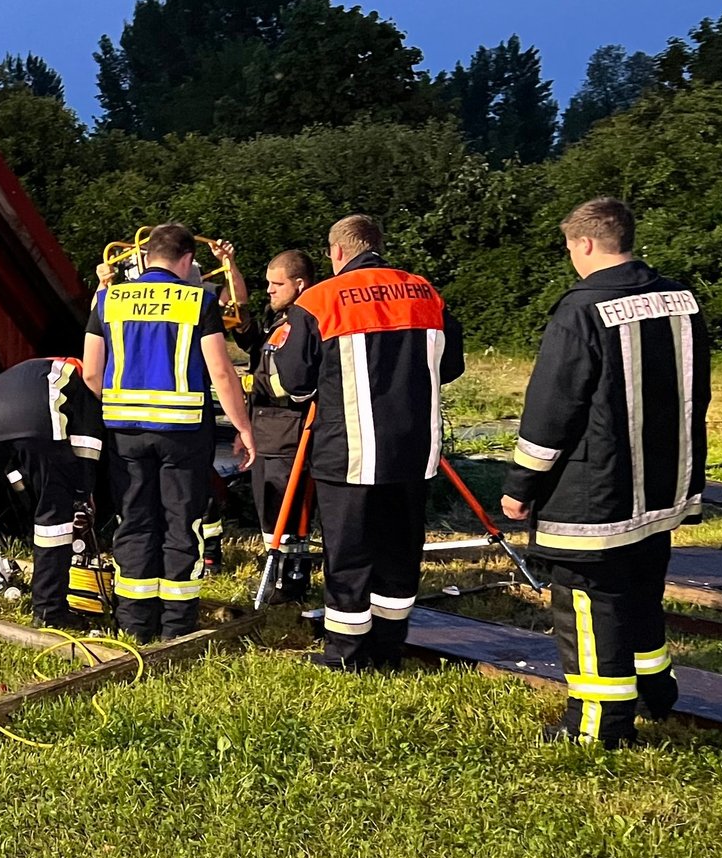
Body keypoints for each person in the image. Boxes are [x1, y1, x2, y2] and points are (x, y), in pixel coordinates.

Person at [500, 198, 709, 747]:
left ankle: (598, 725)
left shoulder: (581, 310)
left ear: (586, 244)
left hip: (596, 496)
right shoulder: (681, 300)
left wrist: (520, 486)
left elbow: (551, 410)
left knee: (589, 605)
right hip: (661, 489)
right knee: (642, 591)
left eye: (570, 246)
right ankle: (655, 691)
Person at [274, 214, 463, 670]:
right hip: (416, 450)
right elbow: (450, 365)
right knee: (400, 551)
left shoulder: (319, 301)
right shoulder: (425, 293)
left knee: (349, 554)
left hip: (349, 451)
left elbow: (296, 383)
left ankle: (345, 652)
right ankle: (389, 646)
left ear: (337, 252)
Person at [84, 224, 254, 643]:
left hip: (124, 432)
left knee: (134, 521)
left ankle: (134, 623)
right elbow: (220, 370)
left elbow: (90, 371)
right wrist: (244, 428)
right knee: (182, 523)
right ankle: (177, 626)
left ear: (144, 257)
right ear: (186, 261)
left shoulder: (108, 299)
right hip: (182, 433)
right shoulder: (198, 299)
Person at [0, 356, 104, 627]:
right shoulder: (81, 380)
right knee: (54, 518)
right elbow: (86, 445)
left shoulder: (26, 371)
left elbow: (14, 459)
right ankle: (49, 612)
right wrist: (82, 495)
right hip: (38, 417)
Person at [232, 248, 318, 601]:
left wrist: (248, 386)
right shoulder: (276, 319)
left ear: (299, 284)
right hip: (265, 426)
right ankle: (279, 577)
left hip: (287, 430)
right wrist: (231, 266)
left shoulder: (304, 322)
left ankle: (290, 580)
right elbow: (242, 320)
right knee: (268, 508)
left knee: (289, 509)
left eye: (276, 284)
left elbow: (294, 382)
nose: (269, 290)